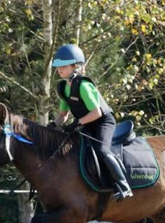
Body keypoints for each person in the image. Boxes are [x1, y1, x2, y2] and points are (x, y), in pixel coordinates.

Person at [50, 44, 133, 201]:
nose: (59, 70)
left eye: (63, 66)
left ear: (75, 66)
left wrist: (76, 123)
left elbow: (97, 113)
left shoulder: (83, 85)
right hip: (86, 124)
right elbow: (63, 114)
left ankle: (124, 185)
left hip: (103, 122)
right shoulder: (62, 87)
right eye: (58, 66)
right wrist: (55, 124)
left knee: (102, 150)